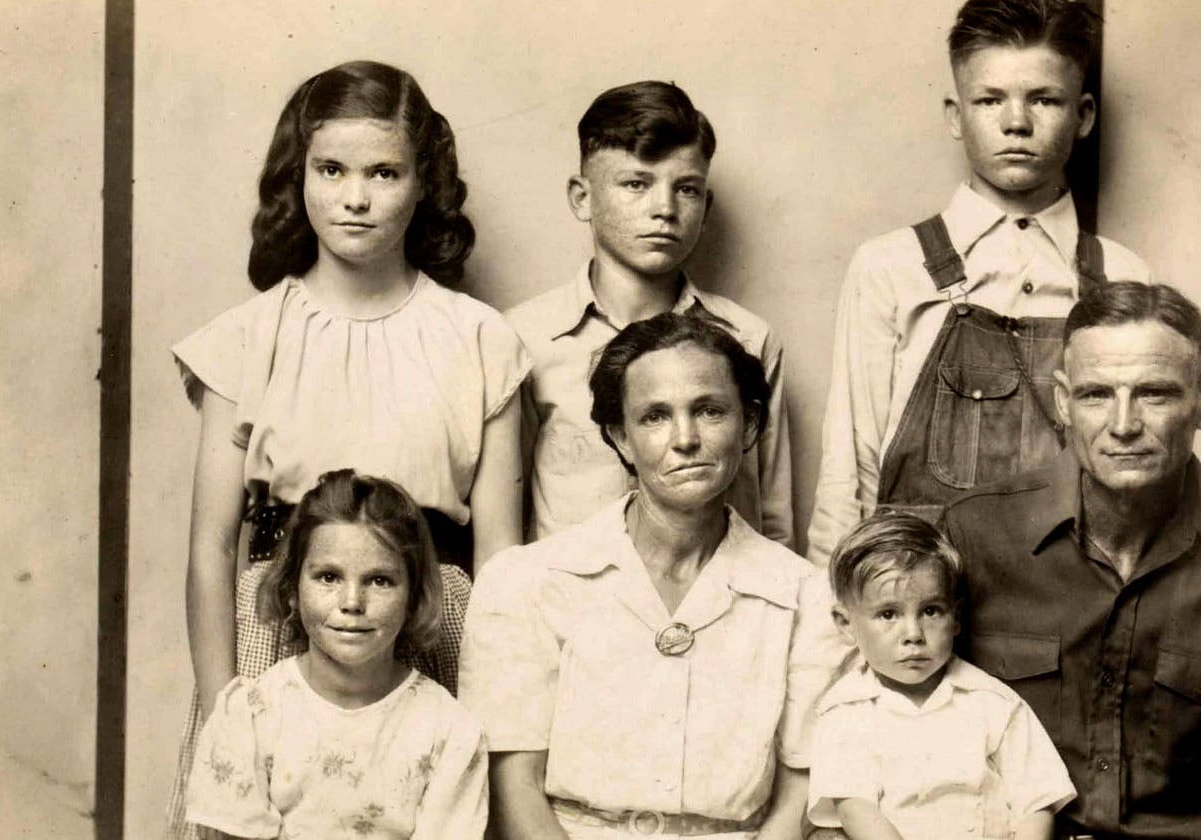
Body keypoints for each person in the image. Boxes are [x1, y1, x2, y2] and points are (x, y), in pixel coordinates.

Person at [166, 60, 529, 838]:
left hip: (434, 629)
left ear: (423, 182)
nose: (355, 197)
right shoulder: (247, 337)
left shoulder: (480, 339)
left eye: (384, 172)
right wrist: (224, 705)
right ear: (298, 176)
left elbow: (502, 559)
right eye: (331, 170)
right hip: (278, 625)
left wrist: (490, 714)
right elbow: (211, 547)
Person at [939, 282, 1201, 838]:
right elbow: (906, 725)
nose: (1124, 424)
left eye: (1154, 394)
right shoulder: (975, 533)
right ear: (1062, 403)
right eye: (1095, 395)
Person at [460, 313, 842, 840]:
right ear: (620, 437)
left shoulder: (808, 596)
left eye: (709, 411)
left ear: (750, 424)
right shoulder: (525, 582)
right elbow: (513, 783)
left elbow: (803, 782)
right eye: (655, 417)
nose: (685, 439)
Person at [806, 0, 1153, 565]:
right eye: (990, 99)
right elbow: (850, 474)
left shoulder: (1125, 277)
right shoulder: (890, 267)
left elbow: (1143, 484)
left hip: (1074, 602)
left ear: (1084, 115)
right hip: (922, 613)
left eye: (1044, 98)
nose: (1016, 122)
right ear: (954, 114)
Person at [508, 81, 793, 547]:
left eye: (687, 189)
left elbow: (773, 520)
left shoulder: (749, 338)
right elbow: (505, 523)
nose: (664, 209)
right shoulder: (524, 337)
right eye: (637, 184)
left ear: (707, 205)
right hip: (571, 607)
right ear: (582, 197)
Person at [184, 470, 487, 839]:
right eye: (328, 577)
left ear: (413, 597)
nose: (352, 602)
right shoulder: (250, 716)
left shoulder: (448, 731)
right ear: (291, 588)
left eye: (380, 580)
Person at [808, 511, 1073, 840]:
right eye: (888, 614)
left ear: (956, 616)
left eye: (931, 611)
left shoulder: (995, 703)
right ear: (846, 623)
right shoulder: (845, 712)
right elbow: (857, 810)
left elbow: (1037, 803)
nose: (914, 634)